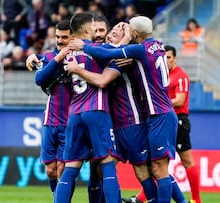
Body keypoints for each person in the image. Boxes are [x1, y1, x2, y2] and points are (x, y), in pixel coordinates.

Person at [69, 15, 178, 203]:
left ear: (132, 34)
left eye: (118, 30)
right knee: (104, 168)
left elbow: (103, 75)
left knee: (151, 168)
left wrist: (80, 60)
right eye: (108, 31)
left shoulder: (130, 54)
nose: (108, 35)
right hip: (115, 122)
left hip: (133, 120)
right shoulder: (151, 47)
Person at [55, 12, 121, 203]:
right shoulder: (98, 49)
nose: (96, 30)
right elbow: (117, 50)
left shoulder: (68, 53)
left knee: (70, 168)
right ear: (86, 29)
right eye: (93, 26)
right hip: (96, 110)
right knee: (108, 164)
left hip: (75, 113)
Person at [123, 45, 201, 203]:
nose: (166, 60)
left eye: (170, 57)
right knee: (156, 164)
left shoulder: (180, 76)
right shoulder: (159, 75)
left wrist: (158, 102)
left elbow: (179, 100)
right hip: (160, 120)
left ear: (175, 58)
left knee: (186, 161)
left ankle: (196, 199)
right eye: (164, 57)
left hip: (177, 120)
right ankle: (141, 197)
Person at [25, 19, 72, 198]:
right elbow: (39, 78)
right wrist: (58, 58)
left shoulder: (79, 58)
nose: (60, 40)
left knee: (62, 169)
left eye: (64, 37)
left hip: (69, 123)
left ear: (72, 37)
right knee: (50, 171)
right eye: (58, 36)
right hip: (50, 121)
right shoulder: (49, 57)